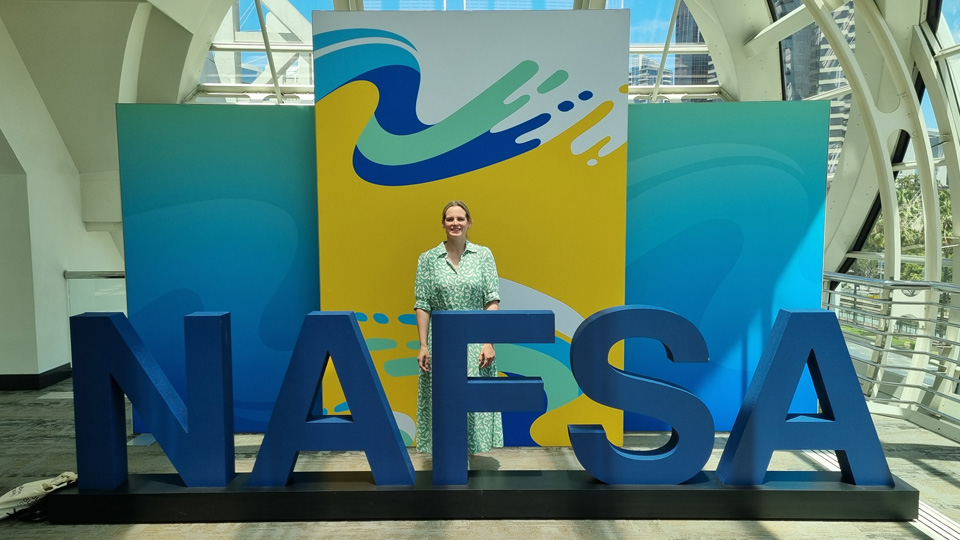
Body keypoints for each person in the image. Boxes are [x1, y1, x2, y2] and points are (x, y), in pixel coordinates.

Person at [413, 200, 502, 454]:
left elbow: (492, 301)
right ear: (443, 224)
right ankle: (448, 456)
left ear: (469, 222)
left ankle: (468, 458)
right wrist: (422, 345)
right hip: (441, 341)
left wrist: (489, 342)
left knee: (473, 399)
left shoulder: (483, 255)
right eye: (450, 219)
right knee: (443, 398)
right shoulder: (428, 259)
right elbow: (423, 304)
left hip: (476, 341)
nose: (455, 223)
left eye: (460, 219)